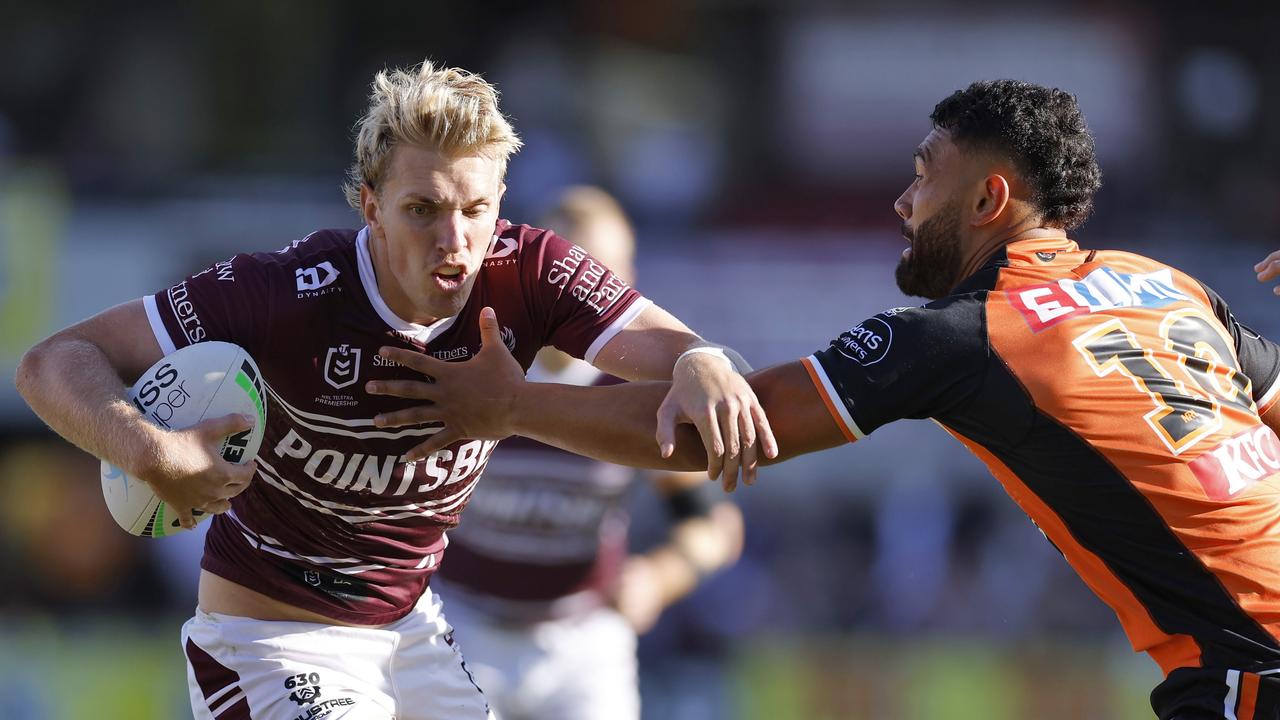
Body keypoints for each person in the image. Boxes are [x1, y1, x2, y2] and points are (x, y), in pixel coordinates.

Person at [373, 80, 1280, 720]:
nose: (902, 198)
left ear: (991, 197)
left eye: (925, 174)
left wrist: (511, 408)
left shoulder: (960, 334)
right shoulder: (1165, 285)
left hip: (1248, 669)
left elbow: (720, 433)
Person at [12, 59, 772, 720]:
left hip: (414, 636)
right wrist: (151, 450)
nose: (453, 241)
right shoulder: (284, 293)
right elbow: (52, 361)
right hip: (273, 640)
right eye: (421, 211)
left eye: (475, 211)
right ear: (370, 207)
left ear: (501, 203)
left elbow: (683, 357)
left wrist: (701, 357)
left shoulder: (531, 273)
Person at [433, 186, 744, 720]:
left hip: (582, 638)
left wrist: (658, 577)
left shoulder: (641, 391)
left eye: (607, 275)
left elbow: (714, 527)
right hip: (462, 623)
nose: (589, 292)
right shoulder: (469, 365)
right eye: (572, 272)